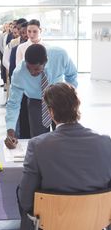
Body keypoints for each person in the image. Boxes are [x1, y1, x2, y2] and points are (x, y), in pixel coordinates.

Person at [18, 83, 111, 230]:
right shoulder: (106, 142)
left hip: (52, 223)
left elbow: (25, 201)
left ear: (51, 112)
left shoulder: (37, 145)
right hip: (95, 222)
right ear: (77, 107)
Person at [5, 44, 78, 147]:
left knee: (66, 137)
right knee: (39, 141)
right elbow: (13, 104)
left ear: (46, 62)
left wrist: (69, 95)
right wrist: (10, 131)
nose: (31, 72)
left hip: (60, 99)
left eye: (36, 69)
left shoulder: (60, 55)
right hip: (36, 102)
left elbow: (72, 75)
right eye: (29, 68)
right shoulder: (19, 73)